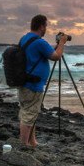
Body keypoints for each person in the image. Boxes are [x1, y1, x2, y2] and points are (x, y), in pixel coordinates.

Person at [18, 14, 67, 147]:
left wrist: (57, 45)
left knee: (29, 112)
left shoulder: (25, 38)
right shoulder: (39, 42)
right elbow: (56, 56)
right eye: (45, 26)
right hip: (33, 84)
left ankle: (32, 141)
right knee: (29, 114)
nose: (46, 29)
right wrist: (62, 43)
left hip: (24, 82)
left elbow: (46, 51)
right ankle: (23, 145)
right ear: (41, 26)